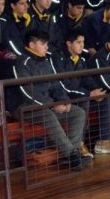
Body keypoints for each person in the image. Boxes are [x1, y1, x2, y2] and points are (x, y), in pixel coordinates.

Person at [9, 29, 87, 171]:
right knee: (49, 115)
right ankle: (71, 155)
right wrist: (52, 106)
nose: (47, 47)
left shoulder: (46, 60)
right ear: (32, 45)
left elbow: (56, 84)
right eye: (43, 43)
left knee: (78, 113)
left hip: (48, 104)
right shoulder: (21, 62)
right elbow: (28, 93)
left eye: (47, 44)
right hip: (24, 106)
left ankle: (73, 152)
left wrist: (64, 100)